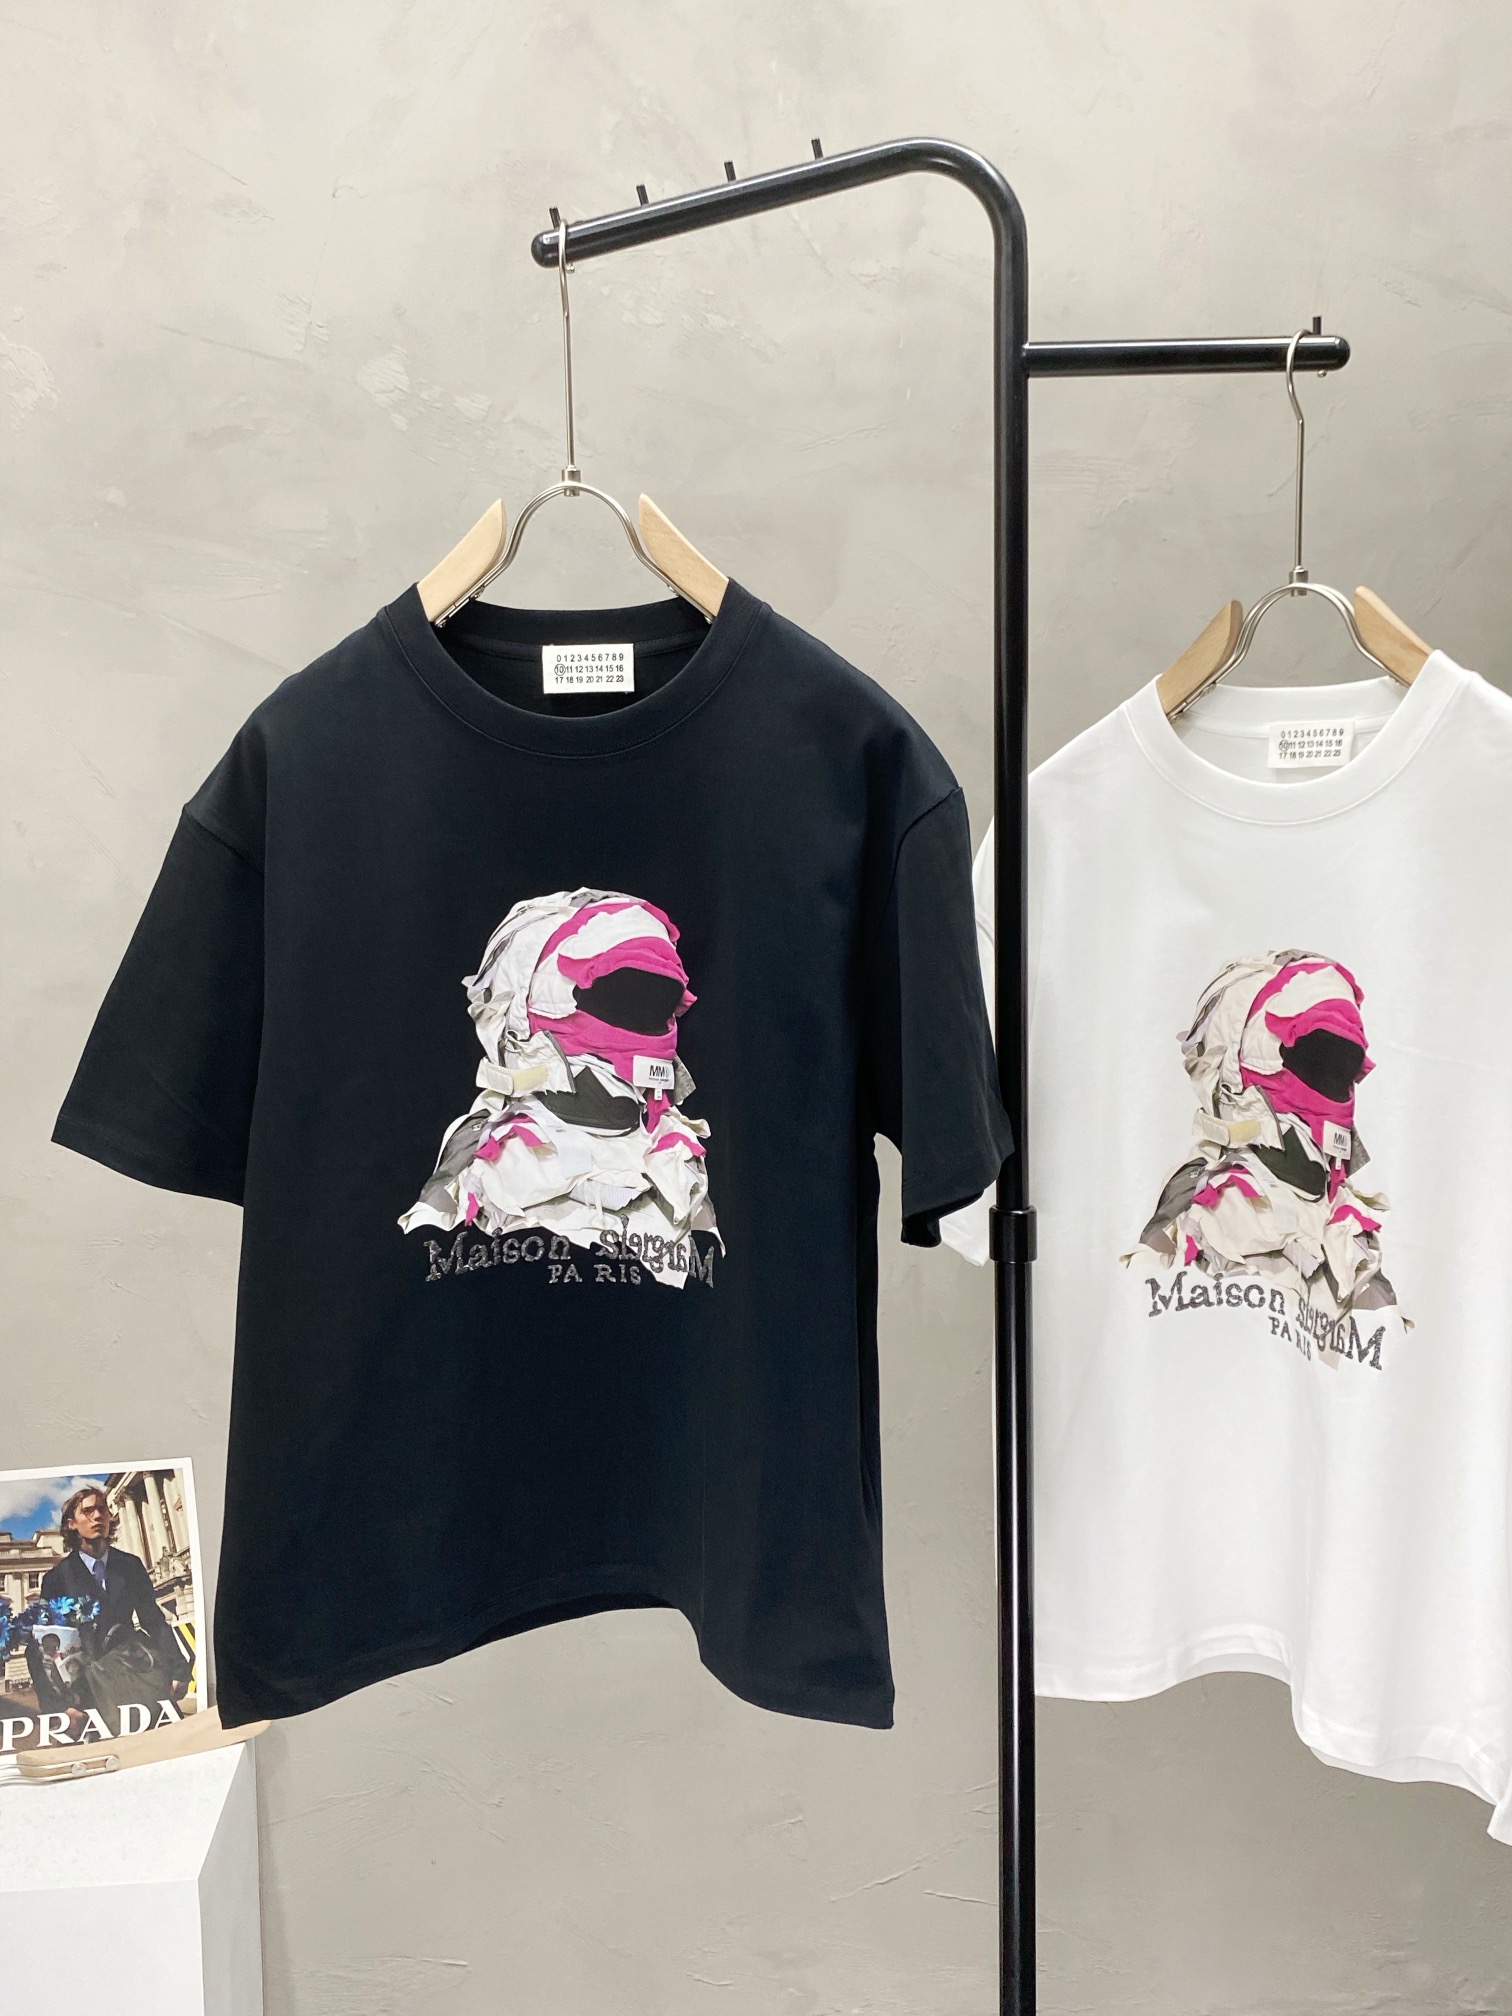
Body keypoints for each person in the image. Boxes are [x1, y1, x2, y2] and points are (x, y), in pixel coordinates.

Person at [41, 1485, 191, 1707]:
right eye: (88, 1511)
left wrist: (179, 1670)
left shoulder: (130, 1565)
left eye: (102, 1509)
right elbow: (48, 1644)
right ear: (71, 1524)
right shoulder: (56, 1578)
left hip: (135, 1670)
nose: (97, 1516)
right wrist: (61, 1706)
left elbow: (153, 1620)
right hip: (87, 1686)